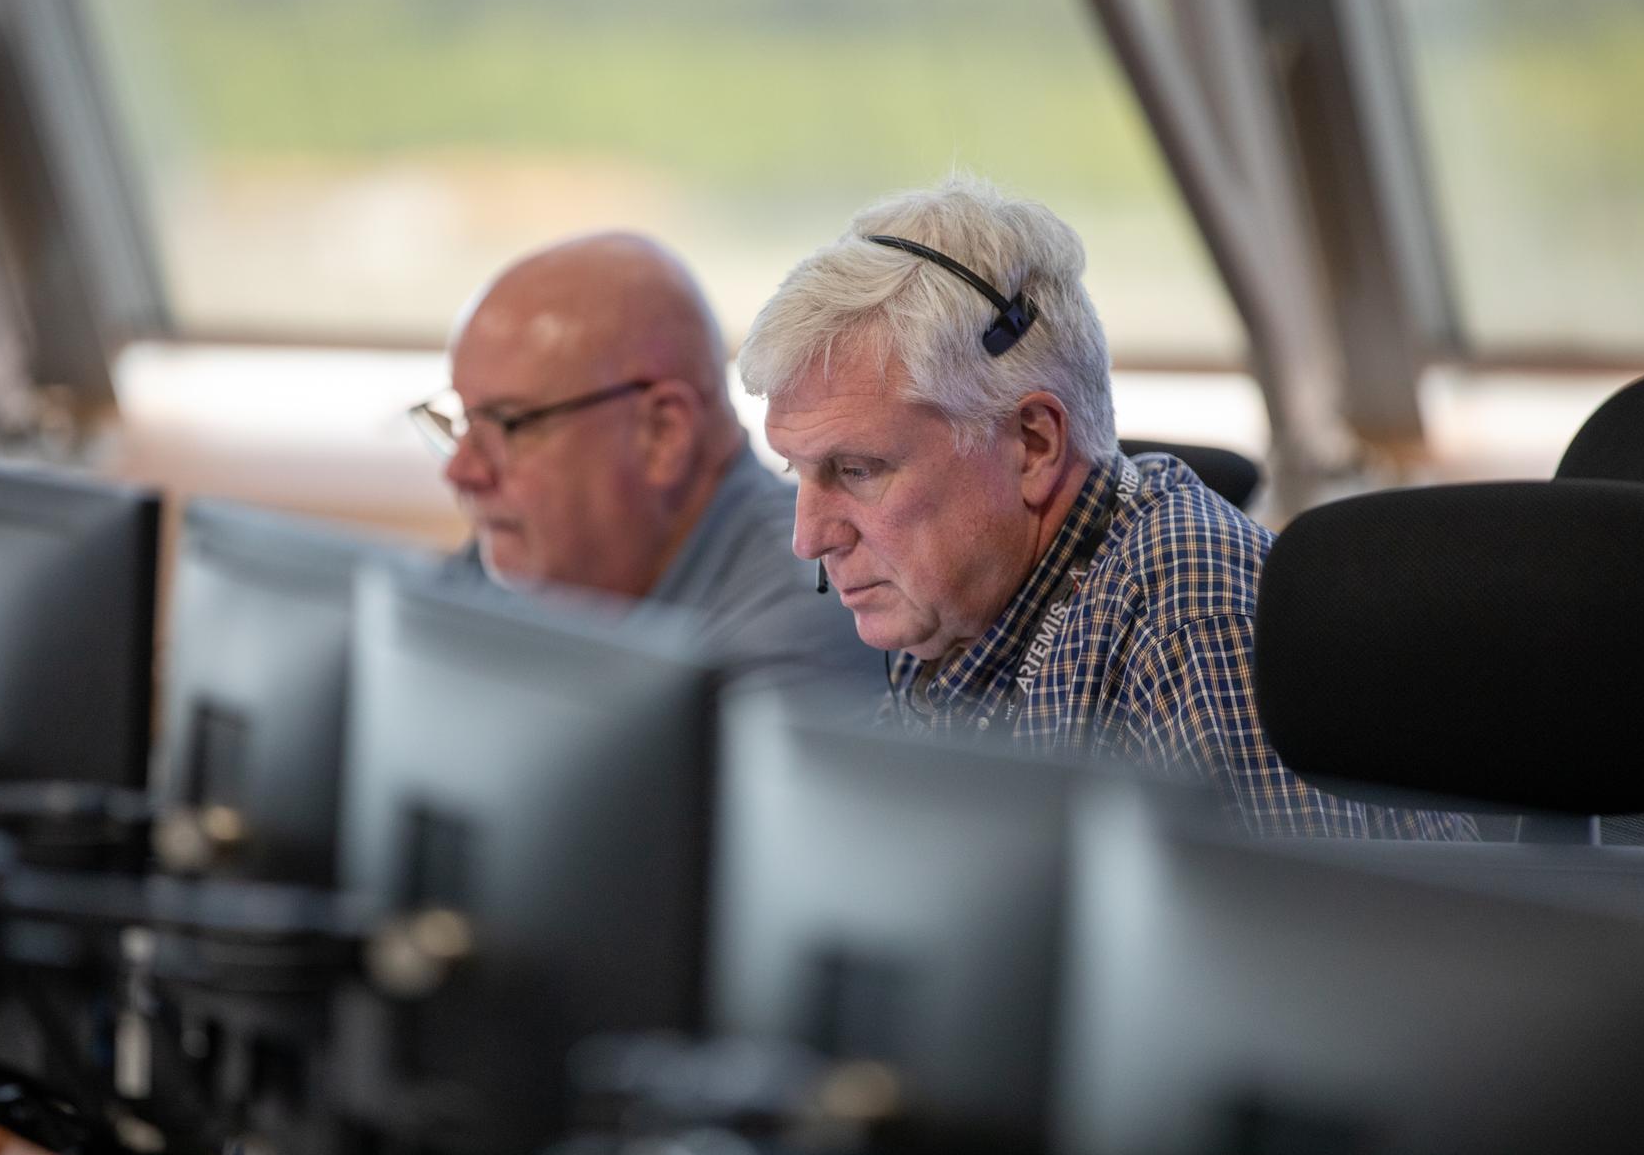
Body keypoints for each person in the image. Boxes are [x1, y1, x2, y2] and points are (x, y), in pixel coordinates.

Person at [737, 176, 1469, 839]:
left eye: (857, 470)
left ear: (1032, 443)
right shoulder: (952, 608)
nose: (808, 538)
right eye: (800, 473)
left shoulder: (1191, 614)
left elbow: (1291, 966)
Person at [409, 231, 876, 699]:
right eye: (464, 421)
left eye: (508, 423)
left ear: (663, 434)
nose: (462, 470)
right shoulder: (523, 565)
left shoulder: (797, 632)